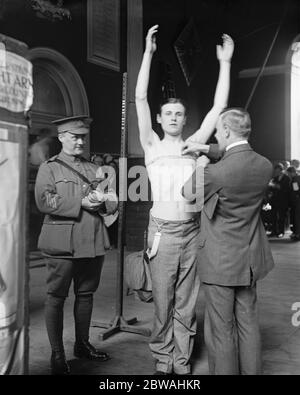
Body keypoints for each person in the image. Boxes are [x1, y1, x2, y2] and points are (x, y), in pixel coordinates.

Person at [135, 24, 234, 375]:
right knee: (163, 301)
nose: (175, 118)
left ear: (184, 119)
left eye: (179, 114)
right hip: (161, 231)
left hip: (191, 231)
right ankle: (162, 358)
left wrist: (225, 63)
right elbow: (141, 99)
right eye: (169, 114)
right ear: (160, 120)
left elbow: (219, 106)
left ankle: (181, 359)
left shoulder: (194, 146)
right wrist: (147, 54)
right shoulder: (151, 145)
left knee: (187, 303)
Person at [182, 108, 275, 375]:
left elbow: (187, 192)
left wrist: (200, 165)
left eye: (217, 132)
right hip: (249, 260)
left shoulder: (215, 173)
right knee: (248, 324)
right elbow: (234, 153)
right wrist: (205, 146)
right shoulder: (265, 165)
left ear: (224, 131)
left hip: (220, 262)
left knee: (221, 330)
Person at [35, 115, 118, 375]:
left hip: (91, 242)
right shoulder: (49, 167)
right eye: (75, 136)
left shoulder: (96, 168)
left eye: (83, 136)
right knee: (56, 298)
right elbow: (44, 201)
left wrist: (105, 201)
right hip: (62, 243)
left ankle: (82, 345)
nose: (80, 141)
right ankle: (57, 355)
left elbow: (112, 201)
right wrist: (79, 203)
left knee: (85, 296)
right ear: (62, 137)